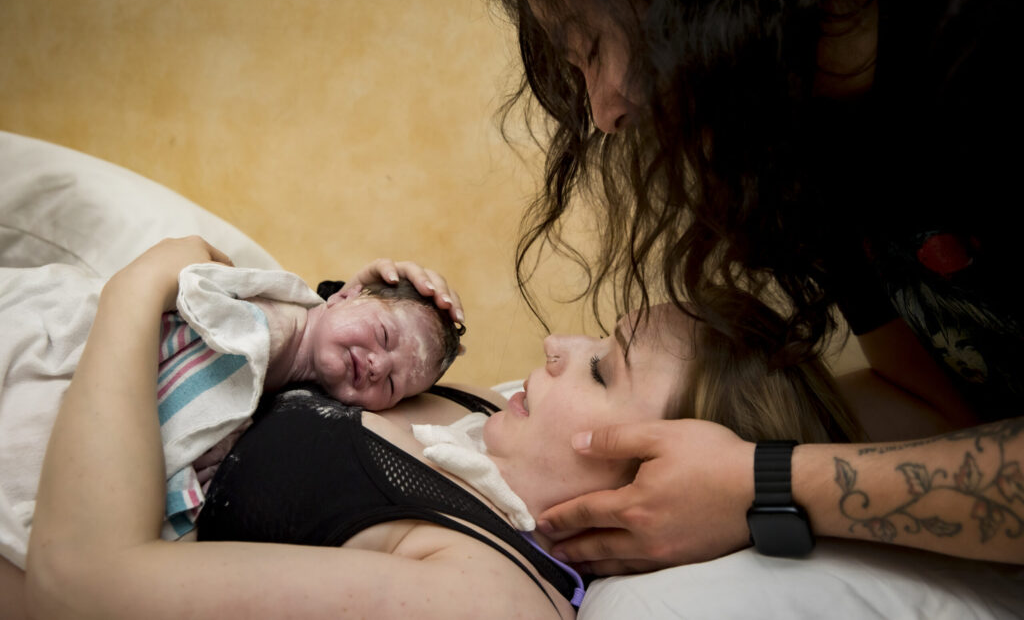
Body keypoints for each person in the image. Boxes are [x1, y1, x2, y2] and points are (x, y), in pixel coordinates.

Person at [481, 0, 1024, 571]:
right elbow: (932, 406)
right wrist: (723, 450)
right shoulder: (815, 139)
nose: (603, 113)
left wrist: (762, 483)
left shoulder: (994, 46)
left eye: (593, 46)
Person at [10, 236, 875, 620]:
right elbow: (270, 362)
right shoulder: (491, 422)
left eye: (604, 367)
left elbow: (79, 583)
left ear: (658, 472)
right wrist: (357, 297)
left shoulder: (483, 594)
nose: (557, 344)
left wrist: (148, 275)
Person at [0, 256, 463, 579]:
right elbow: (188, 289)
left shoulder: (298, 405)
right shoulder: (262, 310)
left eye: (392, 385)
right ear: (344, 295)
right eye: (383, 334)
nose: (378, 365)